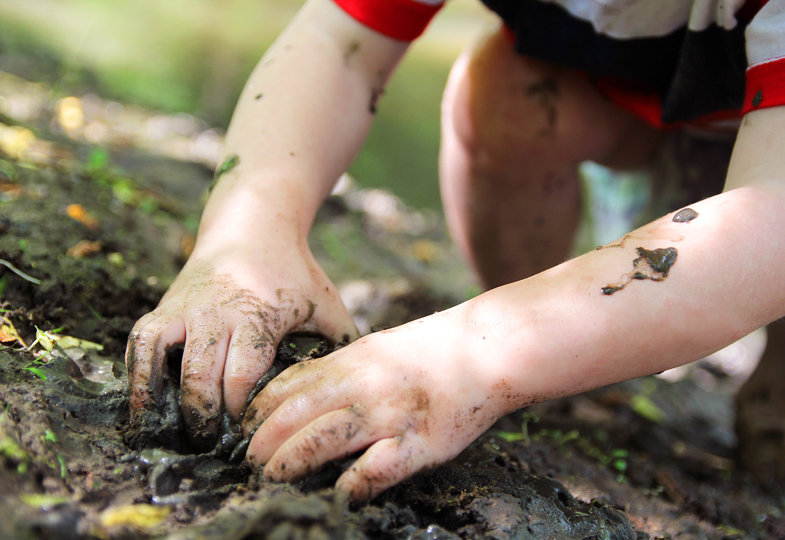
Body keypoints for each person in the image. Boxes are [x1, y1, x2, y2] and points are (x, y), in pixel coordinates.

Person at [126, 0, 785, 501]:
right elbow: (342, 38)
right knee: (511, 90)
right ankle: (555, 367)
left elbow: (768, 218)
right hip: (638, 99)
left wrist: (474, 348)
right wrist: (248, 234)